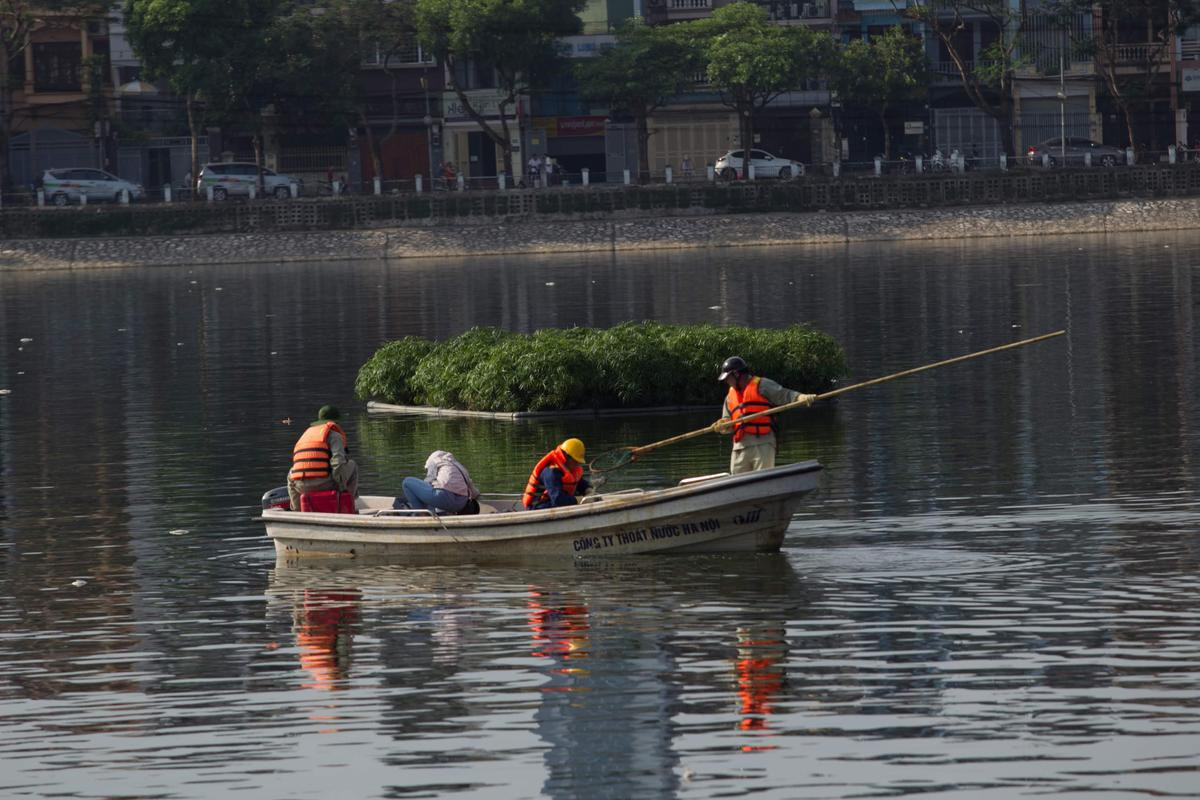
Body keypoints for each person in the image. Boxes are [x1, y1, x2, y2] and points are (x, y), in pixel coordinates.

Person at [711, 357, 815, 474]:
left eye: (728, 378)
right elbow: (728, 422)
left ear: (736, 374)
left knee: (762, 478)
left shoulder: (762, 385)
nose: (726, 381)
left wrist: (802, 397)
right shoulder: (730, 397)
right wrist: (722, 425)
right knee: (738, 482)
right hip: (739, 448)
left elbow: (785, 395)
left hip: (763, 444)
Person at [287, 404, 359, 511]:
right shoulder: (335, 436)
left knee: (291, 474)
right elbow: (337, 463)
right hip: (324, 485)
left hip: (301, 486)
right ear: (335, 422)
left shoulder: (305, 435)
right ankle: (347, 505)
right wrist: (341, 487)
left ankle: (298, 512)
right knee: (352, 465)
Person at [402, 450, 480, 515]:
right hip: (461, 504)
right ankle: (446, 513)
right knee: (438, 491)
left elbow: (428, 482)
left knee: (407, 482)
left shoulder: (434, 461)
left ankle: (422, 516)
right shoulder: (460, 467)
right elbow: (474, 493)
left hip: (444, 499)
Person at [522, 438, 591, 510]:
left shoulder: (569, 467)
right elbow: (558, 500)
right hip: (538, 507)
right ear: (566, 457)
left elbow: (578, 482)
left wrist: (588, 489)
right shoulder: (551, 472)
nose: (578, 465)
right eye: (576, 461)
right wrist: (578, 500)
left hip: (553, 502)